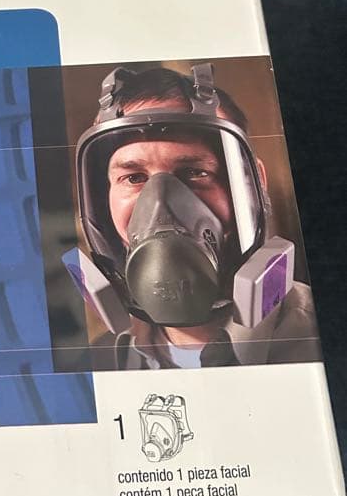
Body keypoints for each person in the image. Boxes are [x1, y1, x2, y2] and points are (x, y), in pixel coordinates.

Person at [63, 63, 320, 370]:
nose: (159, 204)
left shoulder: (317, 338)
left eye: (195, 172)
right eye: (133, 178)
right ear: (101, 203)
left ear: (255, 185)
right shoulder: (93, 367)